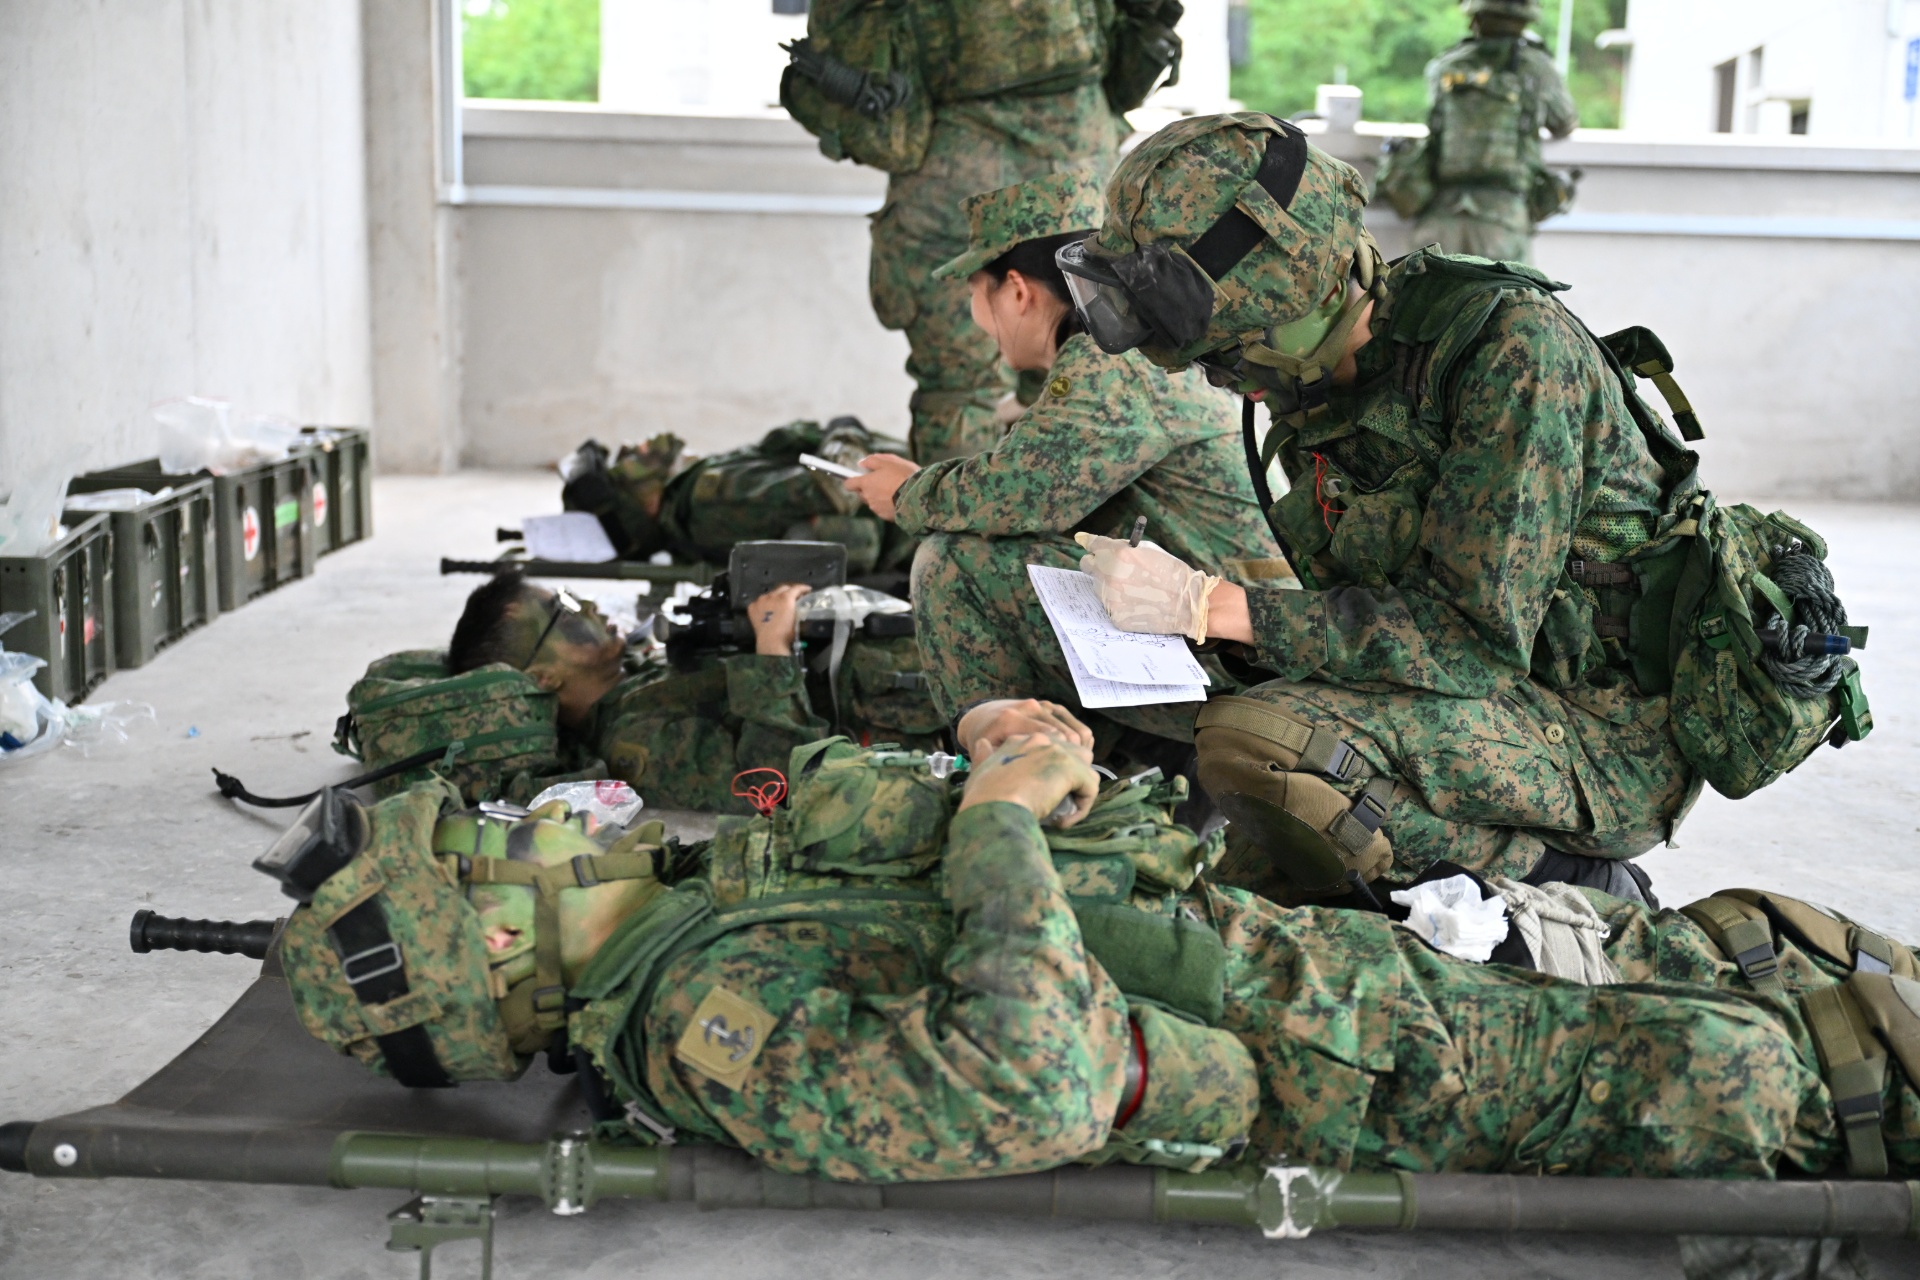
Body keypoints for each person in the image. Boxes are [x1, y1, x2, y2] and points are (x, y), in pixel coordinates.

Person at [280, 711, 1920, 1187]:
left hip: (1338, 956)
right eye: (495, 841)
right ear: (495, 943)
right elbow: (1026, 1085)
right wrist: (996, 826)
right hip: (1367, 1065)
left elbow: (882, 828)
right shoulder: (712, 1027)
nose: (541, 817)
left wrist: (993, 758)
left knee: (1760, 939)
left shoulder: (708, 895)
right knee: (1791, 1067)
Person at [1050, 111, 1712, 907]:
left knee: (1261, 742)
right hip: (1459, 697)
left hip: (1600, 736)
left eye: (1226, 357)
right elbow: (1371, 605)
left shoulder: (1511, 351)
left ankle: (1575, 879)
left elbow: (1469, 642)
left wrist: (1214, 606)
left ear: (1281, 309)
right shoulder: (1319, 373)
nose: (1222, 381)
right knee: (1241, 888)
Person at [840, 171, 1285, 783]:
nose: (976, 316)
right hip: (1229, 635)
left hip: (1235, 658)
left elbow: (1014, 496)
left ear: (1017, 290)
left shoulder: (1112, 363)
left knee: (955, 562)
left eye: (975, 292)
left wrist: (906, 492)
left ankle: (1009, 774)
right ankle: (1095, 763)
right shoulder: (1132, 349)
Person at [779, 1, 1139, 463]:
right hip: (1079, 170)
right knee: (1080, 370)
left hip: (956, 178)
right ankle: (1059, 507)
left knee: (960, 387)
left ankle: (953, 511)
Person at [441, 572, 947, 813]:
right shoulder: (634, 743)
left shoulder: (639, 674)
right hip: (936, 716)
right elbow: (773, 785)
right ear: (543, 678)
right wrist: (771, 649)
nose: (589, 605)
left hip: (923, 657)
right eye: (565, 610)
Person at [560, 418, 915, 577]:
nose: (630, 448)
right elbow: (837, 488)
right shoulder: (708, 500)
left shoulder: (694, 507)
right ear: (639, 508)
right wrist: (845, 433)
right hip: (925, 507)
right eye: (620, 465)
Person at [1406, 0, 1578, 263]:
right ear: (1524, 21)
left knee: (1430, 289)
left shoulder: (1446, 65)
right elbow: (1564, 123)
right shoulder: (1537, 67)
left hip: (1440, 215)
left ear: (1475, 18)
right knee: (1508, 290)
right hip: (1504, 221)